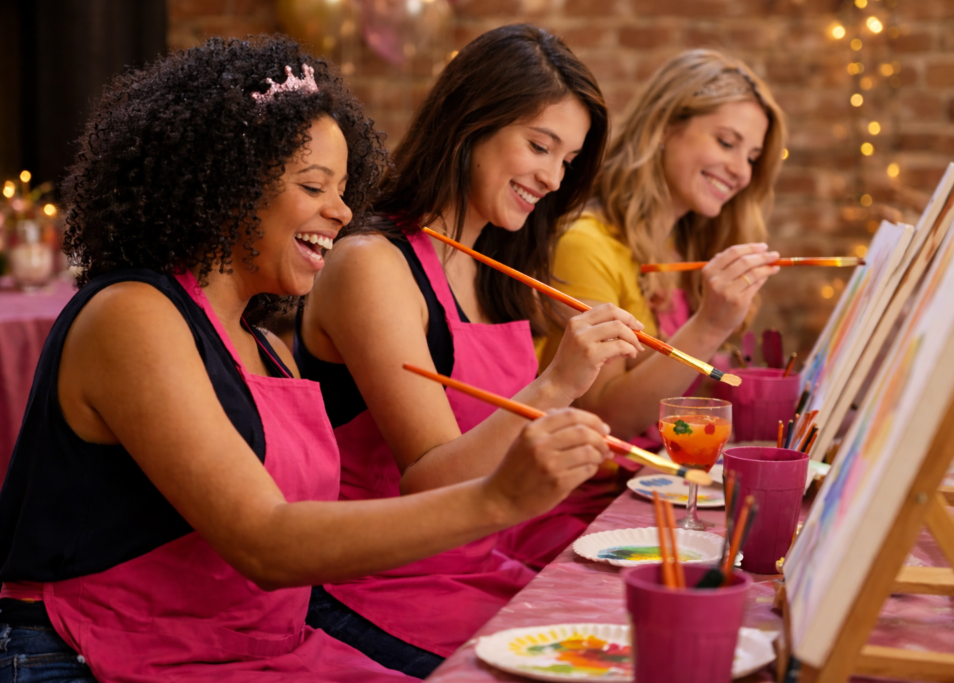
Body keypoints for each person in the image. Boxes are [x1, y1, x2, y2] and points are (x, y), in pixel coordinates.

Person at [0, 36, 615, 682]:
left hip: (254, 644)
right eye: (314, 185)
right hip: (87, 652)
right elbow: (265, 540)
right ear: (230, 182)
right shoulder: (131, 315)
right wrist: (495, 498)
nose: (344, 211)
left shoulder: (266, 349)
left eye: (344, 189)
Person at [297, 24, 644, 676]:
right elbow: (433, 478)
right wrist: (556, 385)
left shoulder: (490, 266)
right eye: (540, 146)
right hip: (375, 583)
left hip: (477, 563)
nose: (551, 176)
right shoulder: (372, 262)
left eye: (567, 160)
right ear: (471, 123)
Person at [505, 49, 789, 567]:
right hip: (578, 514)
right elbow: (605, 415)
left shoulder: (678, 251)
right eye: (726, 142)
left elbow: (679, 397)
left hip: (649, 493)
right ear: (663, 127)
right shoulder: (586, 244)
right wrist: (709, 326)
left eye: (751, 156)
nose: (740, 171)